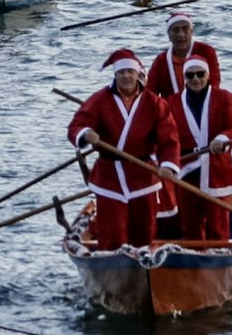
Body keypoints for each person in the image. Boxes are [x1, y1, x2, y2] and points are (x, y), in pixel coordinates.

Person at [68, 49, 182, 249]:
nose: (126, 76)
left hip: (143, 174)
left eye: (130, 72)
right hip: (110, 176)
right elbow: (76, 125)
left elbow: (169, 138)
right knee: (111, 231)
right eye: (122, 73)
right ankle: (112, 268)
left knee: (144, 231)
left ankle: (143, 266)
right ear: (115, 75)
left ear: (138, 74)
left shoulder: (154, 103)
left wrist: (168, 165)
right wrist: (85, 133)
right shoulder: (99, 100)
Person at [163, 56, 232, 242]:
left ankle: (219, 260)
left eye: (200, 74)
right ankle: (194, 260)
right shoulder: (173, 102)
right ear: (184, 78)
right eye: (190, 75)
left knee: (218, 227)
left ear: (208, 75)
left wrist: (223, 139)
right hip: (186, 172)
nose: (195, 79)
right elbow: (165, 134)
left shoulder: (224, 98)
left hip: (217, 171)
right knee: (191, 227)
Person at [149, 11, 222, 95]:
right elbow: (150, 93)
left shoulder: (206, 52)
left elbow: (214, 85)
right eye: (175, 30)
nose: (181, 34)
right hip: (169, 107)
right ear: (169, 35)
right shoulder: (161, 60)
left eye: (185, 29)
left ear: (192, 32)